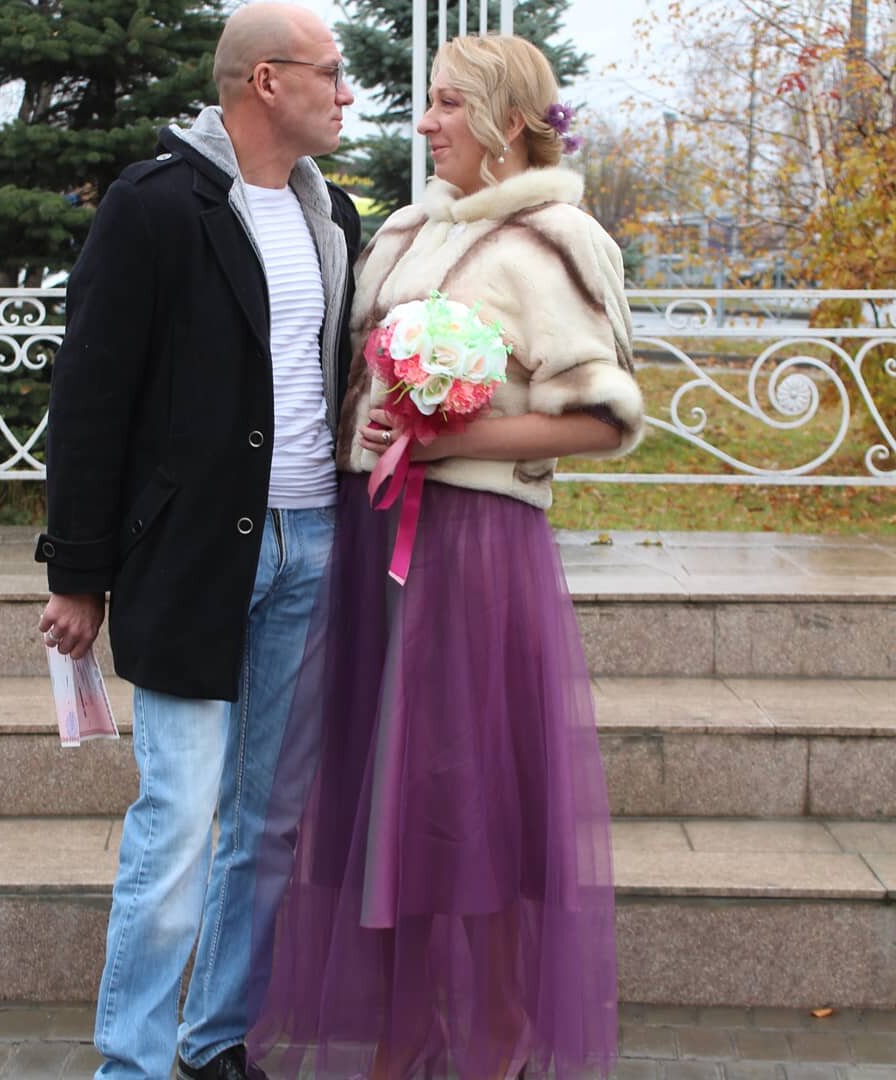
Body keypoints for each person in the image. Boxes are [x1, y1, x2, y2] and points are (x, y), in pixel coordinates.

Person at [245, 33, 644, 1080]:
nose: (424, 122)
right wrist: (367, 431)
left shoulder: (555, 240)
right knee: (388, 793)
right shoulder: (403, 232)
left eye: (448, 104)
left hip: (474, 555)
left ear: (509, 121)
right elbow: (360, 386)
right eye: (428, 102)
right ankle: (410, 1024)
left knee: (472, 792)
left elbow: (603, 419)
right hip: (373, 542)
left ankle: (502, 1027)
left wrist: (452, 440)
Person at [34, 4, 360, 1077]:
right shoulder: (155, 204)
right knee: (177, 819)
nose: (346, 91)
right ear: (266, 80)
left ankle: (214, 1041)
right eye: (330, 71)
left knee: (267, 824)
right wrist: (79, 574)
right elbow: (90, 398)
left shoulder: (334, 212)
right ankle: (129, 1064)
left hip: (312, 547)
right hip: (190, 559)